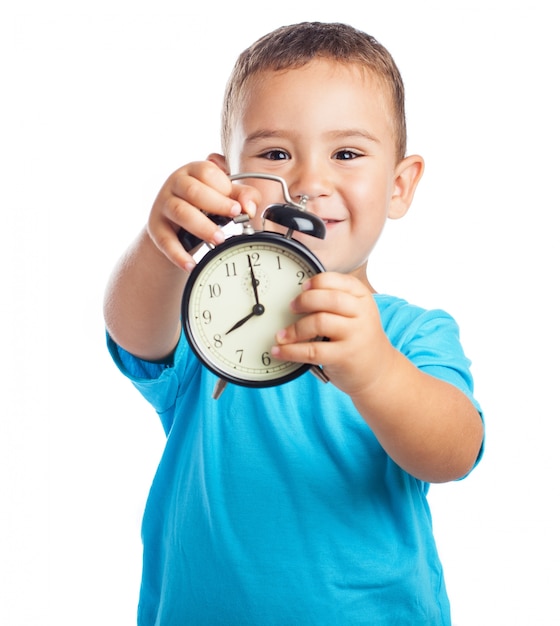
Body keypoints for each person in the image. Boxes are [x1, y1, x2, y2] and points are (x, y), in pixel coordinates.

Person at [104, 21, 484, 625]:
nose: (308, 183)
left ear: (400, 185)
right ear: (227, 177)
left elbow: (454, 453)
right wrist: (164, 241)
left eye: (347, 154)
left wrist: (376, 371)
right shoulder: (207, 312)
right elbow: (133, 330)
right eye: (275, 153)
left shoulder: (410, 334)